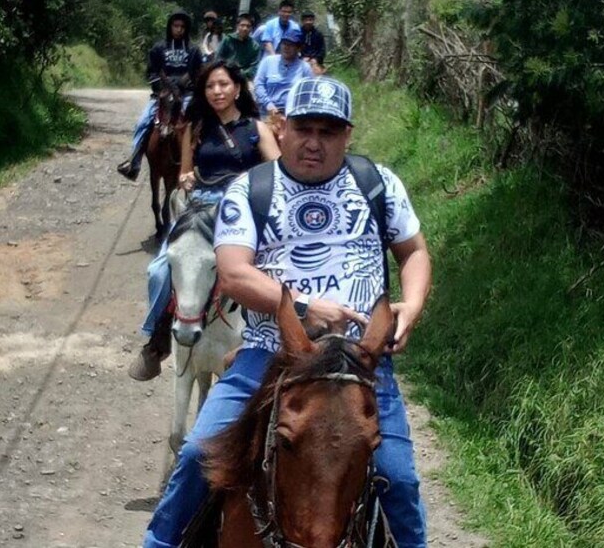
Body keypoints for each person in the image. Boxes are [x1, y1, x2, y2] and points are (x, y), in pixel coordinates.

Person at [142, 76, 432, 547]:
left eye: (329, 131)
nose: (315, 143)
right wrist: (302, 306)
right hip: (269, 352)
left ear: (348, 135)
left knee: (398, 478)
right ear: (282, 127)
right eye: (304, 129)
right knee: (198, 453)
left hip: (357, 362)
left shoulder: (377, 184)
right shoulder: (250, 190)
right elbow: (234, 273)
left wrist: (412, 304)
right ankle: (160, 543)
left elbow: (414, 251)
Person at [128, 61, 280, 381]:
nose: (217, 91)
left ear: (237, 88)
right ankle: (157, 340)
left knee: (274, 268)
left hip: (243, 213)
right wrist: (185, 178)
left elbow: (279, 174)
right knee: (159, 269)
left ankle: (279, 339)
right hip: (200, 208)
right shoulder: (195, 129)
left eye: (223, 84)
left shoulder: (256, 130)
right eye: (210, 86)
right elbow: (186, 171)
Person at [117, 11, 202, 181]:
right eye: (175, 26)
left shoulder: (193, 50)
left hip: (186, 95)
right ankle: (134, 163)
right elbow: (152, 73)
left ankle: (200, 165)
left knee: (198, 124)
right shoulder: (158, 48)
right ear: (170, 27)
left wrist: (183, 84)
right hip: (162, 95)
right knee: (142, 122)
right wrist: (163, 88)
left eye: (182, 27)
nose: (179, 30)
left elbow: (196, 73)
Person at [253, 28, 313, 120]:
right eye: (284, 43)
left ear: (298, 48)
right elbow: (259, 84)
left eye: (291, 45)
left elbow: (308, 93)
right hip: (268, 111)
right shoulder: (268, 61)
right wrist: (269, 105)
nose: (286, 47)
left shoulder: (304, 67)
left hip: (293, 113)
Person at [215, 13, 262, 80]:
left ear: (251, 28)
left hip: (244, 78)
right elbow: (218, 58)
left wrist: (241, 74)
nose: (245, 28)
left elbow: (254, 67)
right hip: (225, 74)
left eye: (248, 26)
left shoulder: (255, 46)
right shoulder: (228, 39)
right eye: (242, 25)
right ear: (237, 26)